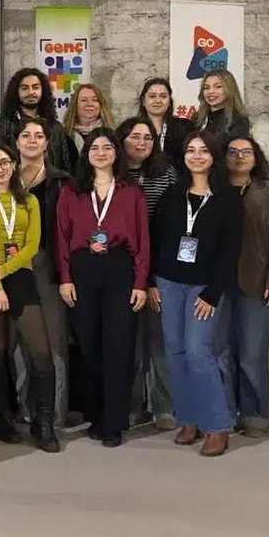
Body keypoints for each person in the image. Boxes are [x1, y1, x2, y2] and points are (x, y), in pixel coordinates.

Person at [150, 132, 242, 457]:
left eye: (204, 150)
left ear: (214, 156)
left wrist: (214, 292)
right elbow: (156, 240)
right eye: (191, 150)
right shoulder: (172, 195)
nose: (197, 156)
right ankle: (189, 419)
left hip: (204, 287)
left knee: (198, 353)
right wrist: (151, 282)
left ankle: (218, 425)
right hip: (168, 283)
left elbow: (231, 251)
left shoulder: (228, 199)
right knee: (174, 353)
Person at [56, 128, 149, 447]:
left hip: (120, 269)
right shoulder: (72, 191)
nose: (100, 152)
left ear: (116, 153)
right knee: (89, 346)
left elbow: (143, 240)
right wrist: (65, 277)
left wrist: (140, 282)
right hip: (82, 270)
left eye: (107, 147)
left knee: (118, 347)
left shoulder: (132, 192)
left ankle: (114, 422)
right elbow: (61, 236)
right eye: (94, 147)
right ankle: (95, 415)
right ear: (86, 154)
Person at [0, 145, 60, 451]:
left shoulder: (29, 201)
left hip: (20, 277)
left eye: (4, 162)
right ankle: (3, 418)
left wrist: (4, 271)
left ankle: (43, 423)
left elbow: (32, 246)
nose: (0, 168)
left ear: (13, 164)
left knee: (41, 353)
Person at [218, 136, 269, 438]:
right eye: (233, 152)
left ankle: (255, 413)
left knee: (252, 353)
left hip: (258, 282)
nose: (239, 157)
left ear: (256, 156)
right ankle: (225, 411)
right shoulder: (214, 189)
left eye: (246, 152)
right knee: (222, 353)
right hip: (219, 284)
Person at [117, 116, 179, 429]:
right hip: (120, 267)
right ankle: (131, 406)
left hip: (158, 265)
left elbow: (172, 229)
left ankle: (164, 406)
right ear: (122, 139)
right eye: (135, 136)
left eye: (148, 138)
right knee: (129, 343)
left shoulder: (167, 173)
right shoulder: (112, 173)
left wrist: (153, 277)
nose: (141, 143)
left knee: (160, 341)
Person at [15, 118, 73, 427]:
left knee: (53, 343)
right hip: (13, 269)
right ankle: (24, 409)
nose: (32, 140)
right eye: (26, 135)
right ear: (16, 142)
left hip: (49, 267)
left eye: (39, 136)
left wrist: (65, 273)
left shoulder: (61, 181)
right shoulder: (5, 178)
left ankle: (55, 412)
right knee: (20, 345)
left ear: (47, 143)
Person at [0, 68, 73, 172]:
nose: (31, 92)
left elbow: (65, 167)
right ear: (16, 91)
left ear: (43, 90)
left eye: (35, 87)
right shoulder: (3, 125)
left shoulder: (55, 127)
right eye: (25, 88)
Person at [137, 78, 194, 162]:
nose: (158, 101)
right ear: (143, 101)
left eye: (163, 96)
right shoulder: (132, 128)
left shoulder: (185, 127)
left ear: (170, 102)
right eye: (152, 96)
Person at [62, 83, 117, 169]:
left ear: (101, 105)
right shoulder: (63, 134)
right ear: (75, 105)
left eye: (95, 100)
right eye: (84, 100)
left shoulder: (112, 134)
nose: (90, 104)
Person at [194, 69, 250, 140]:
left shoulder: (239, 120)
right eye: (206, 87)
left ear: (229, 89)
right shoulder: (198, 118)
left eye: (218, 87)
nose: (210, 91)